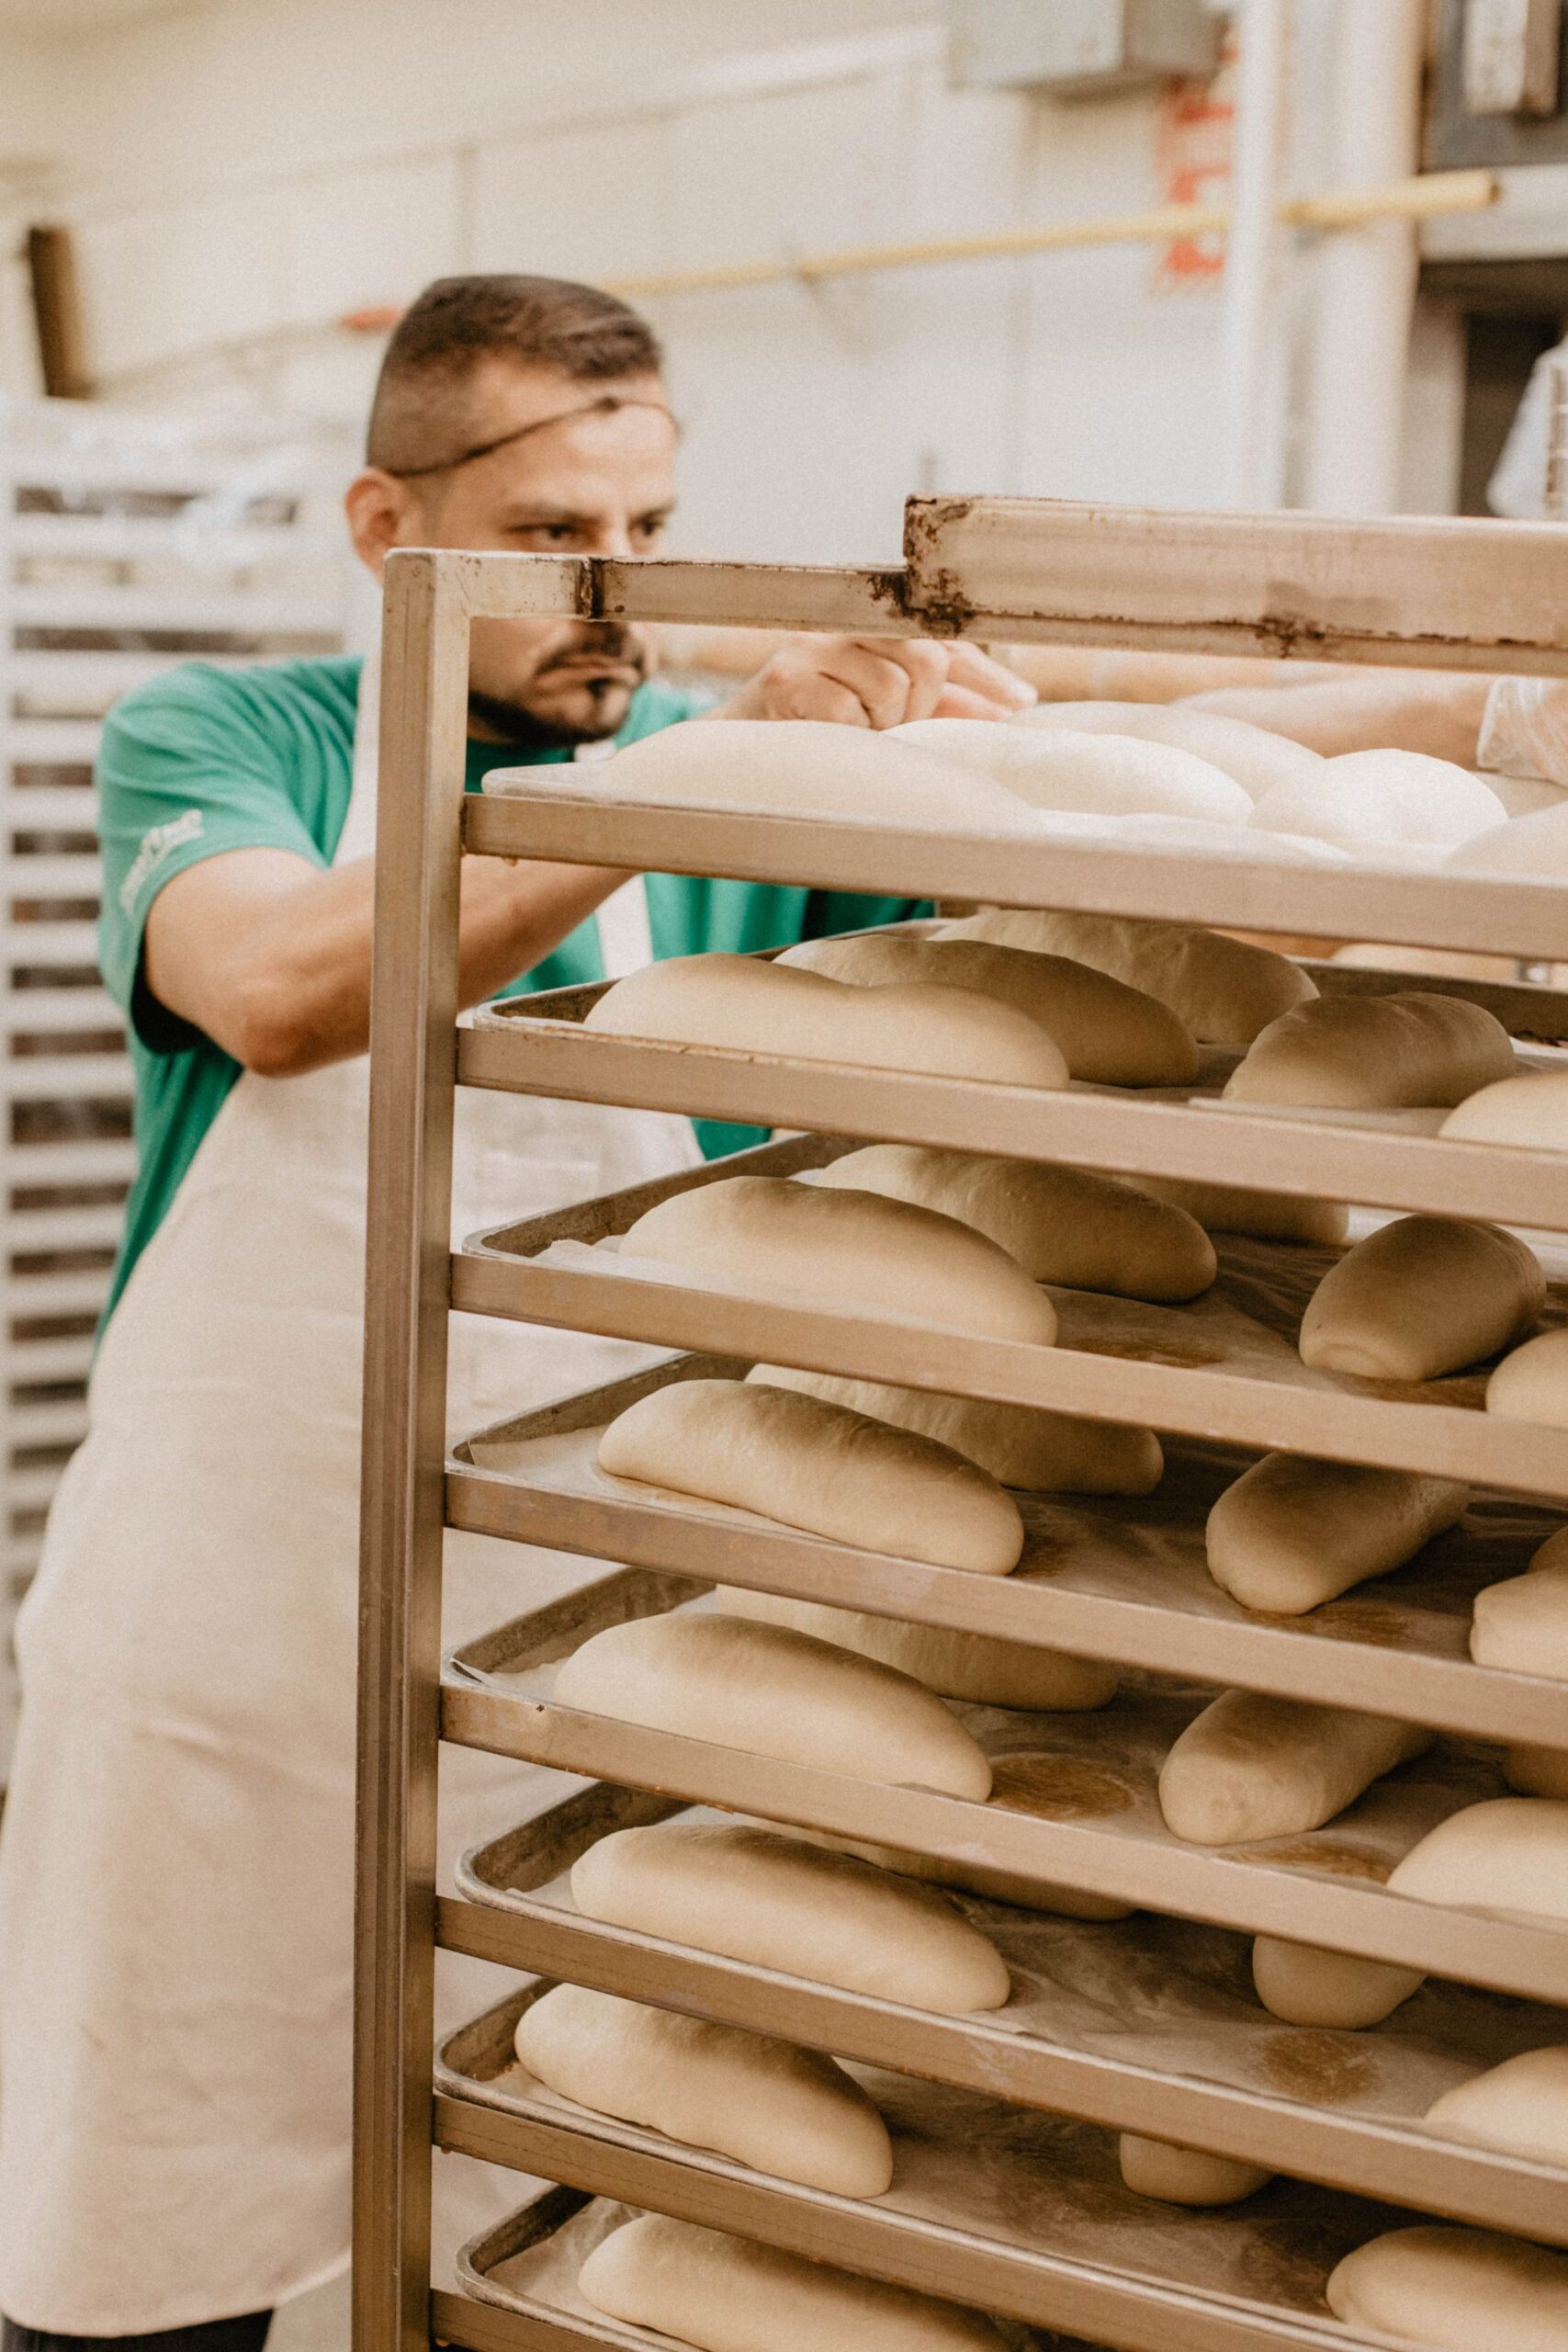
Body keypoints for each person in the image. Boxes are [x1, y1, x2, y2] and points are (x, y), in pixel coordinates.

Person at [0, 273, 1033, 2352]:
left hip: (589, 1655)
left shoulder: (724, 774)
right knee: (142, 2220)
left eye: (650, 533)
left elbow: (1113, 757)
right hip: (237, 1652)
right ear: (388, 528)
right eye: (556, 535)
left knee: (542, 2239)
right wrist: (692, 761)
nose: (614, 594)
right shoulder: (236, 737)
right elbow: (280, 991)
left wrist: (1477, 721)